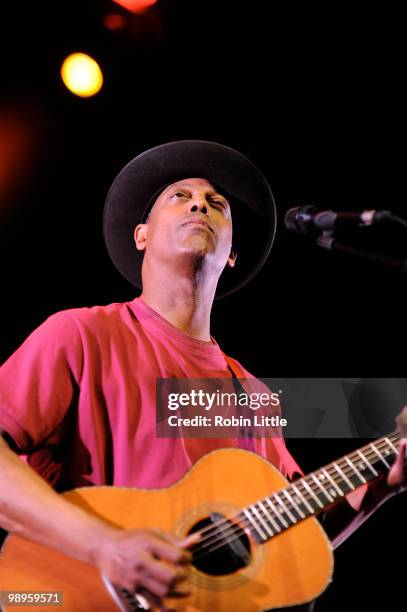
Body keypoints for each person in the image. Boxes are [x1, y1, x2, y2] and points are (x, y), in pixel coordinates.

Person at [0, 140, 405, 611]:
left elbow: (291, 536)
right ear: (142, 235)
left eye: (217, 204)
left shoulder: (254, 394)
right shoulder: (82, 335)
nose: (200, 203)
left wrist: (381, 484)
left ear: (231, 254)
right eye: (179, 196)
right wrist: (104, 545)